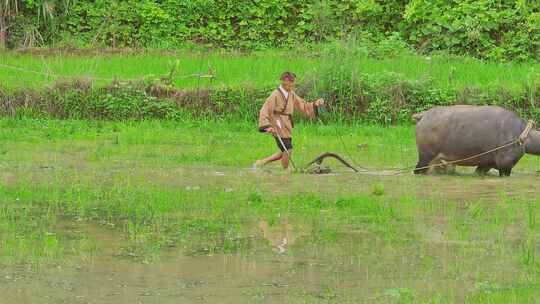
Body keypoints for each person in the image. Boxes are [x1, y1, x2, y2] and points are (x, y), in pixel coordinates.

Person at [254, 71, 325, 170]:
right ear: (284, 81)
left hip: (286, 124)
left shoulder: (291, 94)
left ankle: (261, 163)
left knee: (283, 151)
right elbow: (264, 110)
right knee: (288, 149)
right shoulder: (275, 95)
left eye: (293, 82)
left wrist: (315, 104)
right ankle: (285, 171)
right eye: (290, 81)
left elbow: (303, 105)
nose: (292, 84)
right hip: (277, 124)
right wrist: (268, 126)